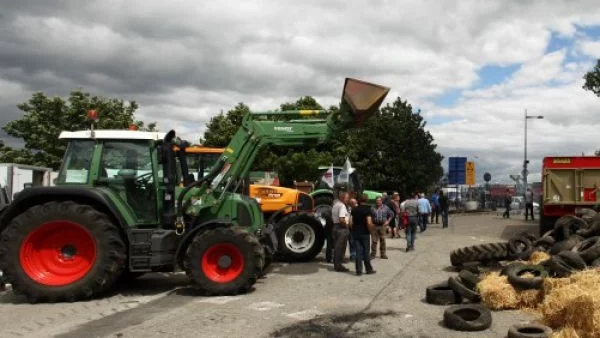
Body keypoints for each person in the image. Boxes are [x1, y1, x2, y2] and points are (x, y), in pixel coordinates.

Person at [350, 194, 376, 276]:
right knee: (366, 251)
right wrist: (372, 231)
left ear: (359, 200)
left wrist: (353, 230)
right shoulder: (368, 209)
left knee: (358, 252)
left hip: (356, 233)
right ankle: (368, 269)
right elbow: (368, 222)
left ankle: (358, 271)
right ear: (366, 200)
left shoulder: (354, 209)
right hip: (365, 233)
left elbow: (350, 222)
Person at [332, 191, 351, 272]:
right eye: (347, 198)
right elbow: (341, 219)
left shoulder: (335, 205)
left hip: (335, 227)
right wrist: (347, 226)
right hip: (341, 228)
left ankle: (337, 263)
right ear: (343, 198)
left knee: (337, 247)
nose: (348, 199)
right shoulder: (342, 206)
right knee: (340, 247)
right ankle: (338, 266)